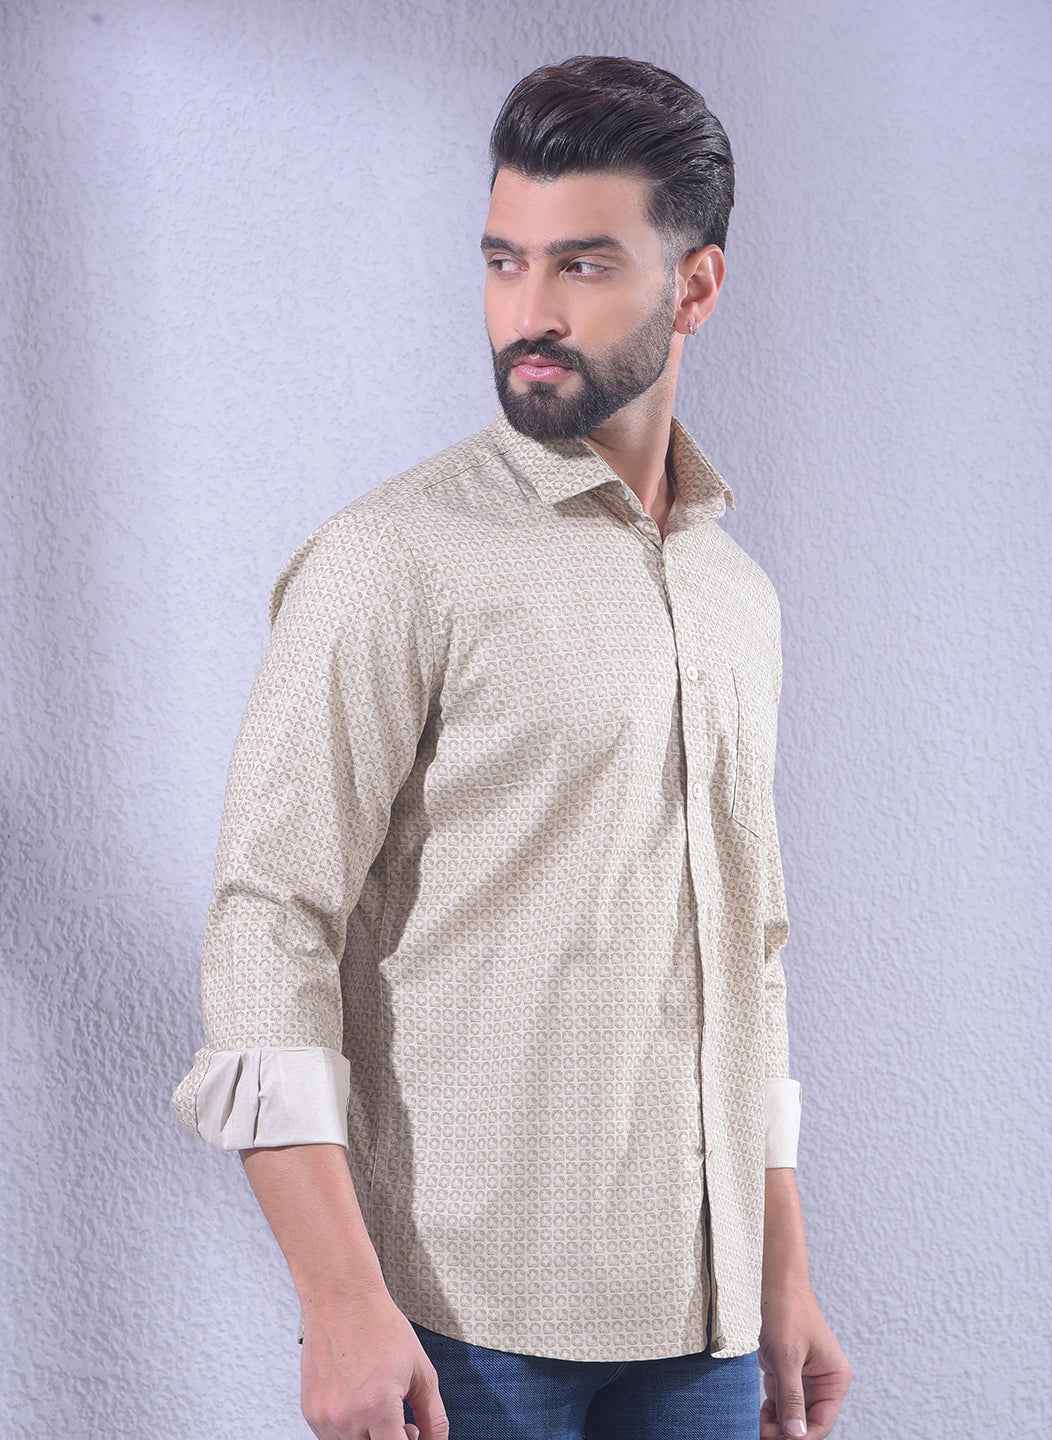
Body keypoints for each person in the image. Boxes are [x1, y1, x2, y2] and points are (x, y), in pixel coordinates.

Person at [171, 52, 853, 1440]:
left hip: (710, 1333)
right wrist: (340, 1302)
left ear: (696, 288)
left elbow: (752, 952)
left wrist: (782, 1271)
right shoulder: (393, 560)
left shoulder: (739, 598)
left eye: (582, 266)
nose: (529, 313)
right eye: (504, 262)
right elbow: (270, 923)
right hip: (462, 1329)